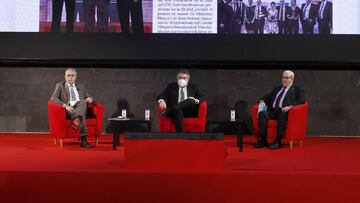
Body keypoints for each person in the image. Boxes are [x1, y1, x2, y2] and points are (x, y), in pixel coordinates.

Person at [255, 70, 306, 149]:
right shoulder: (277, 88)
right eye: (282, 77)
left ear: (292, 79)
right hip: (273, 111)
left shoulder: (297, 89)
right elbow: (266, 97)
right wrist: (261, 101)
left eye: (286, 78)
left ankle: (278, 141)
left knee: (282, 113)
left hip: (285, 113)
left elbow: (302, 100)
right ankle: (263, 140)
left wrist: (290, 106)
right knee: (262, 113)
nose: (284, 79)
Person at [50, 68, 94, 148]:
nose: (70, 77)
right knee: (82, 111)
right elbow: (53, 98)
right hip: (69, 109)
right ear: (65, 77)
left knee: (83, 102)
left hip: (80, 106)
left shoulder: (81, 86)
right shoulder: (60, 86)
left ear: (76, 77)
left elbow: (89, 96)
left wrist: (90, 99)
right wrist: (65, 106)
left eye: (72, 75)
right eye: (68, 75)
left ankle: (77, 120)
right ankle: (83, 140)